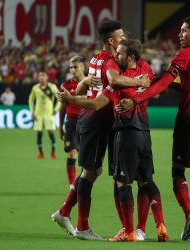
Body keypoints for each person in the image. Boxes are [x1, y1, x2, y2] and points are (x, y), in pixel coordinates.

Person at [116, 16, 190, 243]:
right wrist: (160, 79)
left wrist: (137, 98)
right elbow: (189, 86)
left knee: (177, 172)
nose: (179, 35)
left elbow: (164, 85)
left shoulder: (184, 54)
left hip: (189, 121)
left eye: (183, 31)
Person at [57, 39, 169, 242]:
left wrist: (71, 99)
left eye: (119, 54)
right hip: (145, 132)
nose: (115, 57)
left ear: (130, 57)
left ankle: (128, 232)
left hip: (126, 134)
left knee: (121, 182)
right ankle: (160, 225)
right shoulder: (146, 71)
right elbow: (157, 85)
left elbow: (96, 103)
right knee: (147, 181)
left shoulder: (117, 82)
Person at [58, 56, 85, 188]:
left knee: (84, 156)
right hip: (71, 123)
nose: (72, 70)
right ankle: (72, 185)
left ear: (83, 67)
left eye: (75, 67)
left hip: (86, 122)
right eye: (71, 67)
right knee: (71, 153)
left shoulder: (91, 84)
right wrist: (60, 126)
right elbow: (62, 108)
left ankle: (82, 183)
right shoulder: (66, 85)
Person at [29, 72, 60, 159]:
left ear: (47, 77)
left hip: (49, 115)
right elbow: (31, 100)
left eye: (43, 76)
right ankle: (41, 153)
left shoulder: (52, 87)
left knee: (51, 133)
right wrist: (32, 111)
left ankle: (53, 153)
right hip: (38, 115)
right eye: (39, 76)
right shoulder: (35, 88)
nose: (41, 77)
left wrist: (56, 109)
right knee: (39, 134)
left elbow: (59, 98)